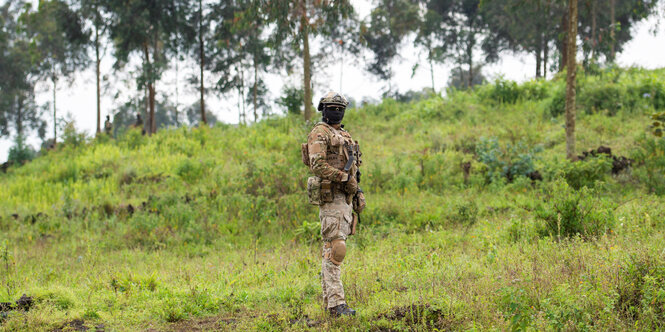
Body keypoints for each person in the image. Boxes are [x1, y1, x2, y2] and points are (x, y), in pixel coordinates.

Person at [305, 92, 363, 317]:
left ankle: (331, 305)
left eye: (340, 108)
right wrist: (344, 179)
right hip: (331, 197)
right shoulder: (319, 133)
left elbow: (355, 167)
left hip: (345, 198)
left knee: (332, 249)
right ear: (323, 109)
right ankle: (337, 305)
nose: (336, 112)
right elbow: (317, 165)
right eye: (332, 108)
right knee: (336, 249)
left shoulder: (345, 135)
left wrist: (357, 190)